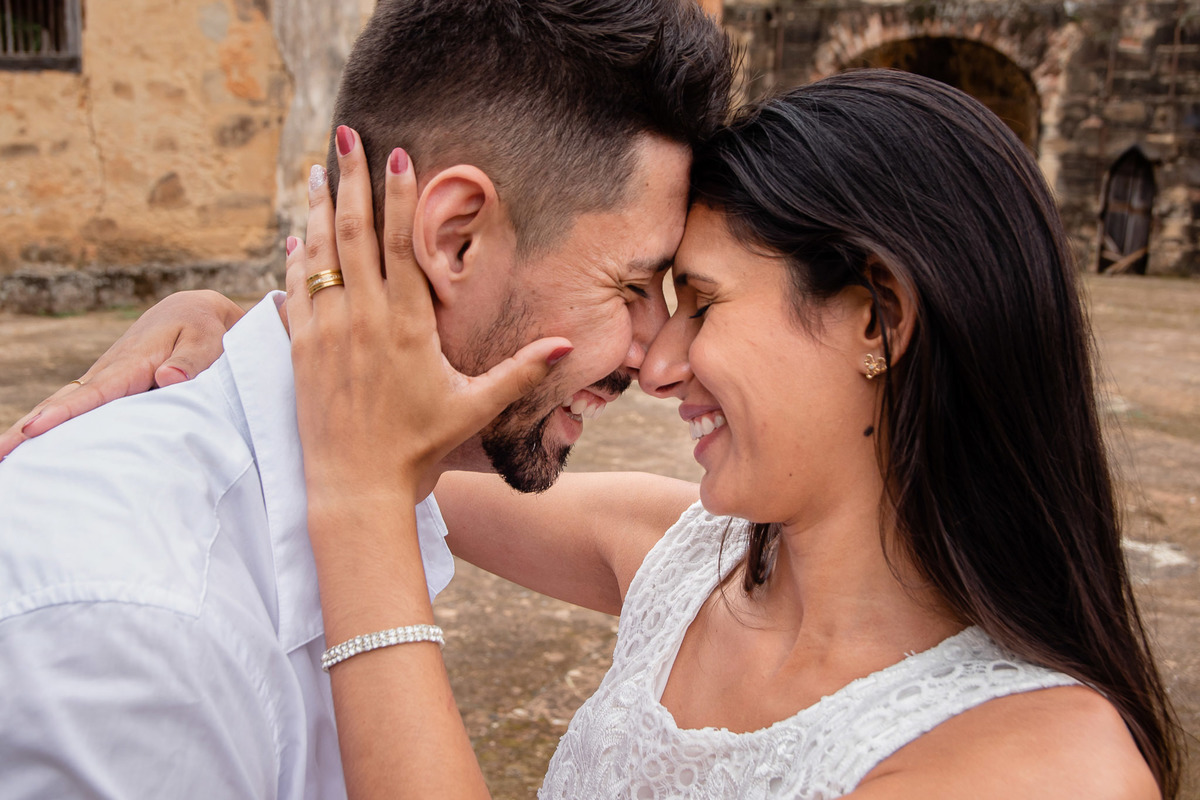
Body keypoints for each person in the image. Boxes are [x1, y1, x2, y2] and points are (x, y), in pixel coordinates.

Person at [18, 71, 1181, 797]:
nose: (659, 362)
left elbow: (368, 472)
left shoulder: (1045, 765)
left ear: (876, 318)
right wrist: (245, 328)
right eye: (648, 295)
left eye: (700, 303)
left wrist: (366, 511)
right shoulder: (686, 562)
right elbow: (379, 437)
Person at [0, 1, 733, 796]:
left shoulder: (372, 474)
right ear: (455, 239)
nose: (656, 356)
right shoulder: (138, 628)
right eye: (631, 287)